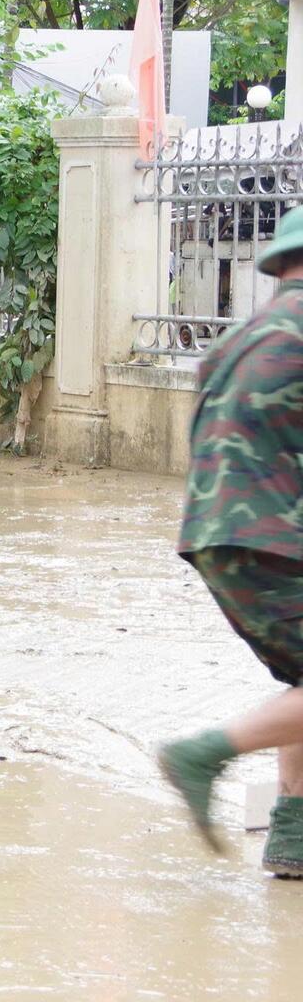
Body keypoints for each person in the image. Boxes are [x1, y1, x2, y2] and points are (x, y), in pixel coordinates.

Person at [157, 207, 303, 878]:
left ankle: (293, 837)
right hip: (273, 532)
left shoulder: (244, 334)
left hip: (213, 534)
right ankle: (205, 752)